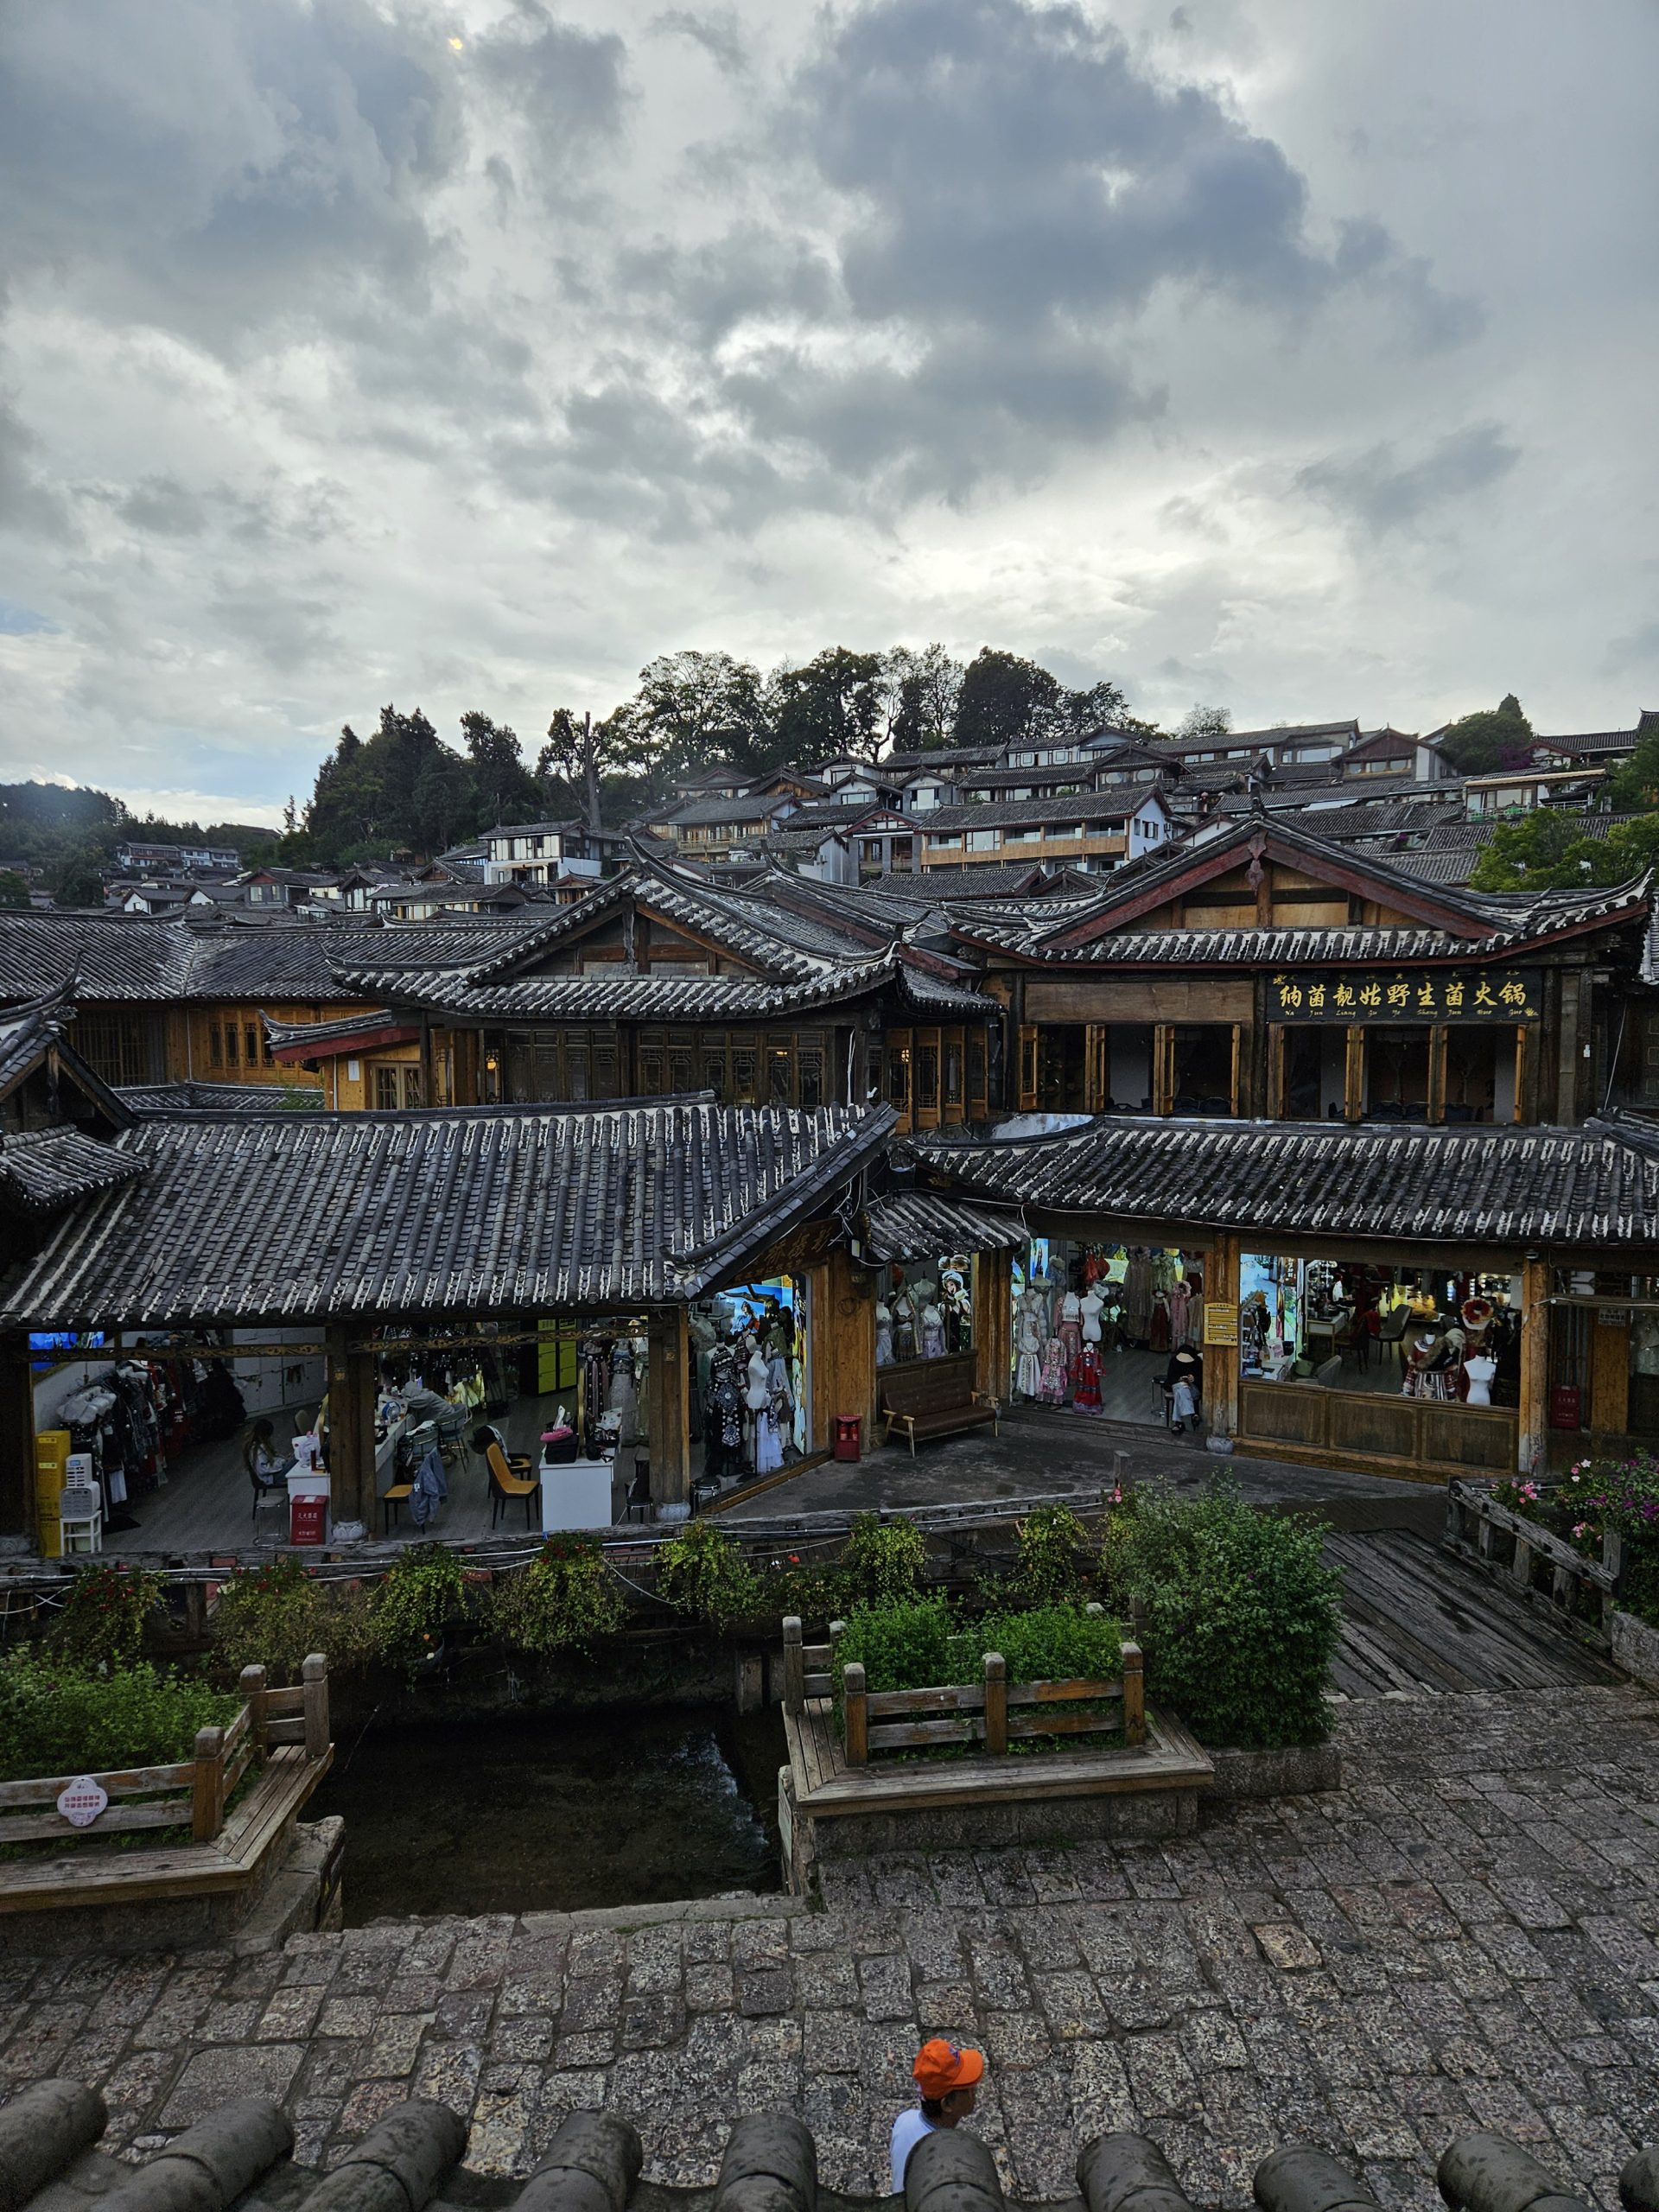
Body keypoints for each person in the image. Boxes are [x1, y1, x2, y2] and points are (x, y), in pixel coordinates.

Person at [890, 2038, 985, 2194]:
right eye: (968, 2089)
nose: (974, 2090)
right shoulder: (954, 2158)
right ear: (947, 2105)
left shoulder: (904, 2120)